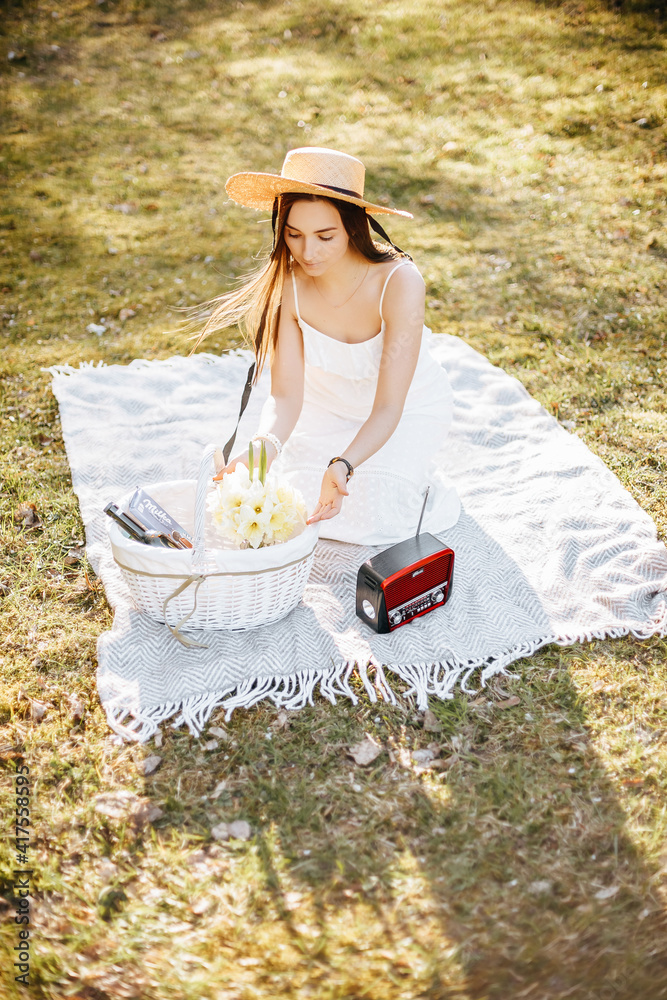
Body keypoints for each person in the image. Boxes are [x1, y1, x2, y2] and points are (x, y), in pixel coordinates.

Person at [195, 146, 460, 546]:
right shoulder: (289, 285)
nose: (308, 252)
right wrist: (263, 448)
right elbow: (286, 397)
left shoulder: (399, 283)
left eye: (325, 236)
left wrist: (344, 463)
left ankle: (412, 472)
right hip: (323, 411)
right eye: (294, 235)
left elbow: (389, 406)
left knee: (375, 515)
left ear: (353, 227)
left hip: (404, 411)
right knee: (291, 505)